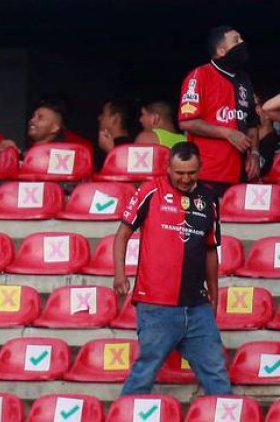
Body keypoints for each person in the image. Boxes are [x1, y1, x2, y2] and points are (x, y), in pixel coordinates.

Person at [114, 141, 231, 397]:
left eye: (191, 172)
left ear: (200, 168)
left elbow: (211, 249)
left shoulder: (209, 198)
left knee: (216, 373)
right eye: (179, 173)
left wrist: (214, 293)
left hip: (197, 305)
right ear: (168, 167)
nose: (185, 179)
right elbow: (122, 234)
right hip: (157, 305)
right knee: (145, 371)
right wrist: (119, 275)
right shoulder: (150, 190)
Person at [179, 25, 259, 199]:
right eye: (236, 40)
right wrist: (227, 133)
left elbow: (252, 123)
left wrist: (254, 153)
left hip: (241, 173)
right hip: (208, 174)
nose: (242, 43)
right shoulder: (199, 76)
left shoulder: (244, 79)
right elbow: (186, 121)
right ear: (221, 51)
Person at [96, 97, 135, 162]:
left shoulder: (128, 149)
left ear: (115, 119)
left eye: (103, 114)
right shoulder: (132, 144)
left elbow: (124, 169)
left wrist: (110, 151)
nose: (99, 118)